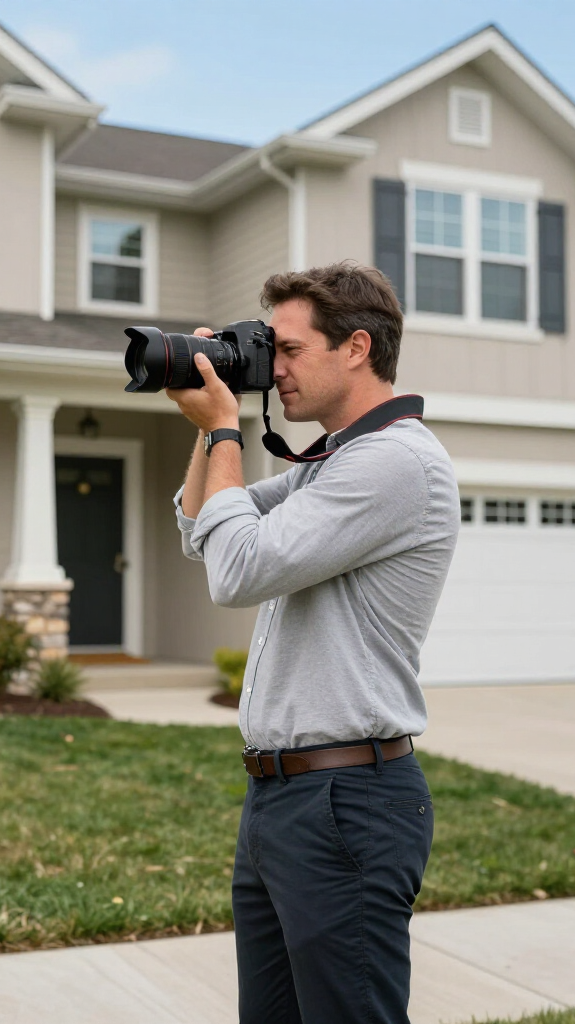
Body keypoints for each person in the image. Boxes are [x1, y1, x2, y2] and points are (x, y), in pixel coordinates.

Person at [168, 261, 460, 1024]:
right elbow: (201, 529)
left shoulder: (394, 461)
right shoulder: (330, 463)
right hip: (282, 798)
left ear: (357, 347)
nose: (277, 368)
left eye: (290, 350)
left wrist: (224, 428)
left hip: (346, 800)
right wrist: (209, 425)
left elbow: (239, 568)